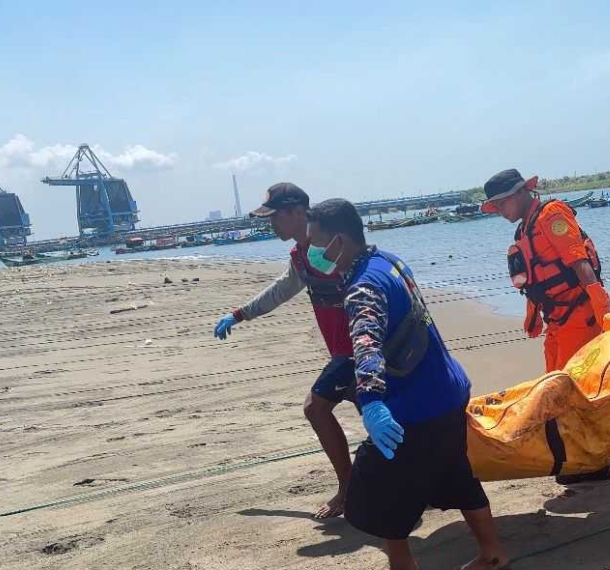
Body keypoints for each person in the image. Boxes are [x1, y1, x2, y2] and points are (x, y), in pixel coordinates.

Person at [306, 199, 507, 570]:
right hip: (448, 387)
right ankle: (492, 553)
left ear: (338, 240)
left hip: (415, 406)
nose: (311, 251)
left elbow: (365, 344)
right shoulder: (389, 261)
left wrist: (371, 402)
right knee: (455, 472)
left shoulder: (362, 288)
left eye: (315, 242)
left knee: (380, 494)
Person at [480, 169, 610, 485]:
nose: (498, 212)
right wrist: (533, 317)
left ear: (517, 194)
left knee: (574, 391)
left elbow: (578, 260)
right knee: (558, 393)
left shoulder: (551, 214)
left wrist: (600, 305)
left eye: (500, 204)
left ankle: (607, 454)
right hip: (557, 322)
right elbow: (536, 281)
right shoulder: (523, 230)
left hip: (580, 317)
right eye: (495, 207)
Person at [211, 182, 354, 519]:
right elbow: (283, 289)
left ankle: (350, 490)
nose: (271, 224)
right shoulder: (302, 255)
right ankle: (414, 483)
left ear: (298, 213)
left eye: (275, 217)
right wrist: (239, 314)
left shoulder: (332, 249)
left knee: (316, 409)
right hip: (344, 352)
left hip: (361, 349)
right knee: (383, 418)